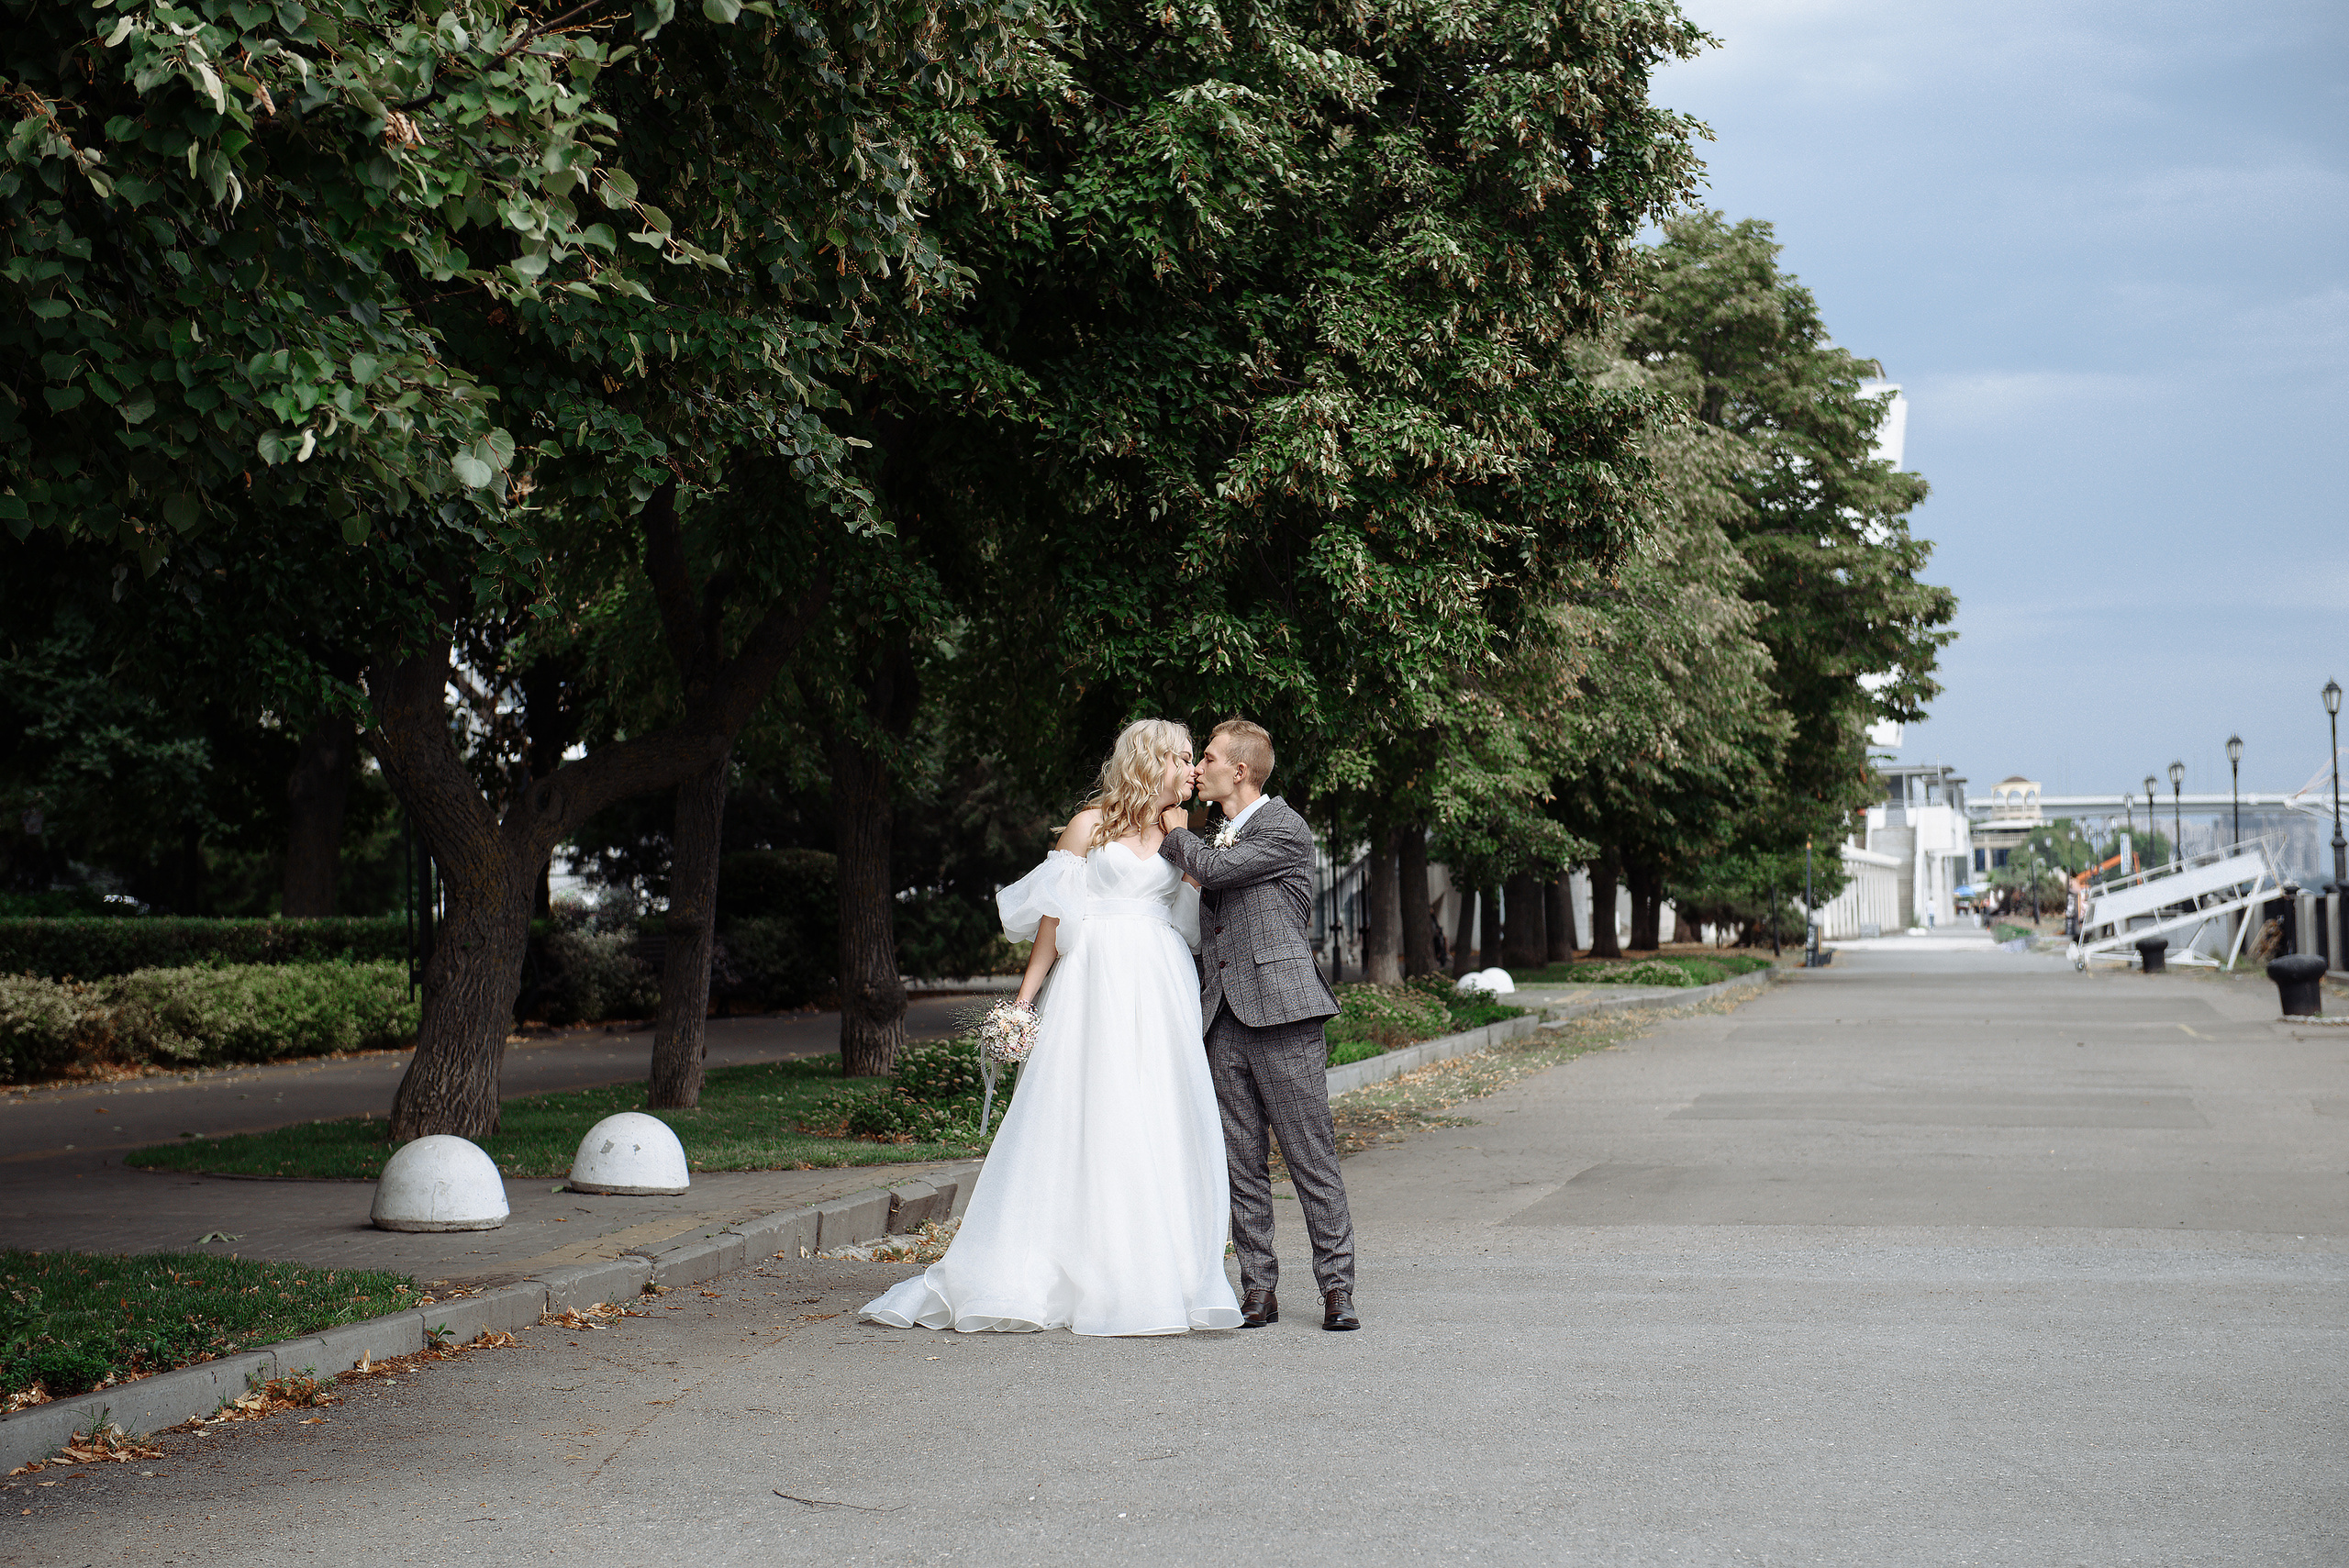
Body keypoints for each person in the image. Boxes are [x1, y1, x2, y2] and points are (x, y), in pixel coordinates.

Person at [861, 719, 1241, 1337]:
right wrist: (1023, 1002)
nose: (1192, 768)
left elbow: (1190, 919)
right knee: (1083, 1109)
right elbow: (1052, 922)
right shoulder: (1090, 825)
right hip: (1092, 980)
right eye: (1182, 757)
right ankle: (1059, 1259)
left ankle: (1153, 1269)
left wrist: (1188, 852)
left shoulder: (1182, 833)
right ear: (1152, 761)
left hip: (1158, 981)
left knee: (1154, 1110)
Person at [1158, 718, 1360, 1331]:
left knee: (1309, 1155)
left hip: (1284, 1012)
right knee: (1241, 1161)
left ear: (1240, 771)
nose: (1199, 769)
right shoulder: (1216, 834)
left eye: (1208, 758)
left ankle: (1337, 1289)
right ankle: (1258, 1289)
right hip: (1222, 1016)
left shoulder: (1283, 827)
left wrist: (1172, 825)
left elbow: (1213, 872)